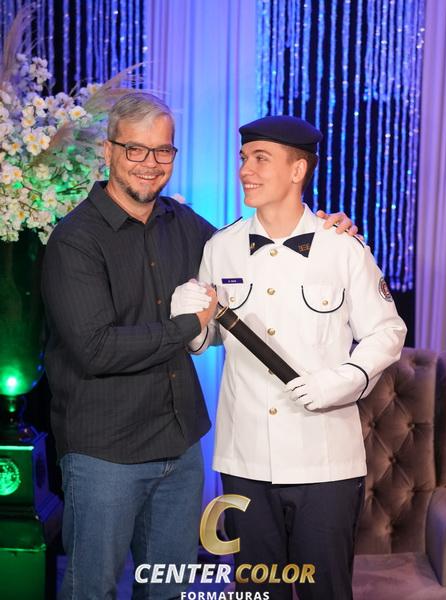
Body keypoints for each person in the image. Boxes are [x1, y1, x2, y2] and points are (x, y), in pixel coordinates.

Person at [41, 93, 358, 600]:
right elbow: (95, 349)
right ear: (108, 151)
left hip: (180, 448)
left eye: (163, 150)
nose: (150, 163)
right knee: (92, 589)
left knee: (167, 590)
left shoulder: (186, 226)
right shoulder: (75, 239)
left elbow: (260, 251)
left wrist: (324, 229)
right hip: (106, 454)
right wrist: (187, 325)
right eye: (135, 149)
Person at [173, 115, 407, 600]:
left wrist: (343, 379)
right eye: (243, 158)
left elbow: (387, 331)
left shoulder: (343, 248)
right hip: (244, 458)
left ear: (298, 169)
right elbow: (210, 337)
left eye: (260, 159)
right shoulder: (221, 247)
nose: (245, 170)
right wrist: (189, 322)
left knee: (325, 592)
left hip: (325, 460)